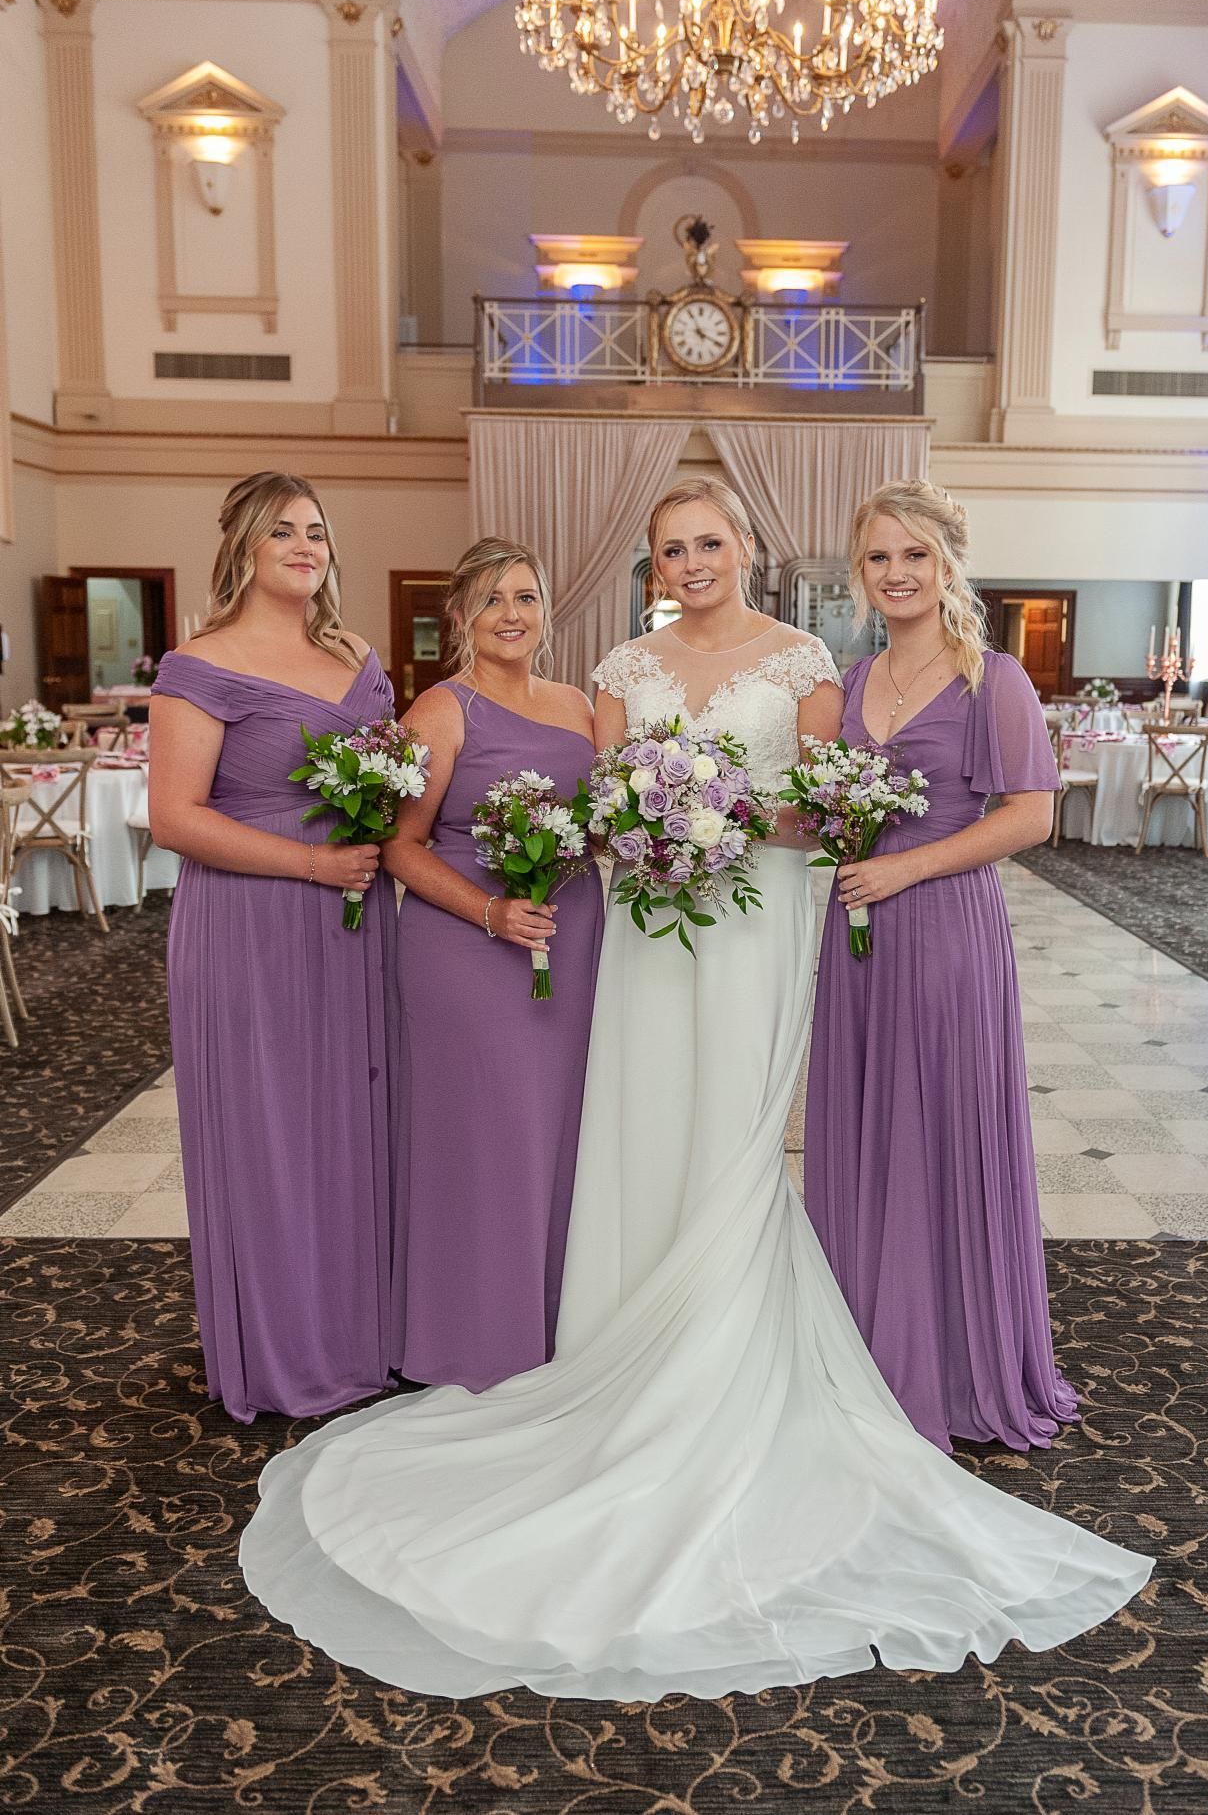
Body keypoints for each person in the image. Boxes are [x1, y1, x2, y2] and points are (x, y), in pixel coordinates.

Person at [240, 477, 1150, 1702]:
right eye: (671, 548)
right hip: (655, 926)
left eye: (709, 542)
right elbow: (607, 820)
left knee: (737, 1132)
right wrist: (653, 826)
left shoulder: (809, 662)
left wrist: (722, 815)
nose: (691, 560)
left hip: (761, 920)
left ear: (747, 549)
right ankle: (631, 1340)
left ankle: (738, 1336)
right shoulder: (622, 668)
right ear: (655, 564)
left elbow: (828, 813)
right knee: (648, 1117)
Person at [803, 479, 1077, 1453]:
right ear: (859, 572)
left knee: (940, 1131)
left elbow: (1030, 815)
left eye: (913, 554)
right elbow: (821, 806)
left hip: (947, 931)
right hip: (857, 937)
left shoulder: (989, 679)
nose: (896, 573)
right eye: (878, 557)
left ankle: (954, 1365)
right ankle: (869, 1352)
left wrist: (900, 867)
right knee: (872, 1131)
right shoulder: (850, 679)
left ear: (948, 562)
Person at [149, 471, 394, 1423]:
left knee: (354, 1117)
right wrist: (306, 865)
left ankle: (360, 1337)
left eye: (318, 531)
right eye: (284, 530)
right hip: (250, 921)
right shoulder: (199, 664)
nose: (306, 545)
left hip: (354, 922)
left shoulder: (356, 657)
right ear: (245, 546)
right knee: (270, 1129)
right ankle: (285, 1350)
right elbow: (173, 817)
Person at [384, 538, 604, 1389]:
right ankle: (475, 1338)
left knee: (557, 1137)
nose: (512, 615)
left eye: (526, 597)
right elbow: (399, 847)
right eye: (492, 600)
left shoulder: (579, 703)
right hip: (467, 950)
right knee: (487, 1139)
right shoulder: (440, 712)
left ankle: (554, 1325)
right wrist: (491, 910)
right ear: (461, 619)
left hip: (571, 938)